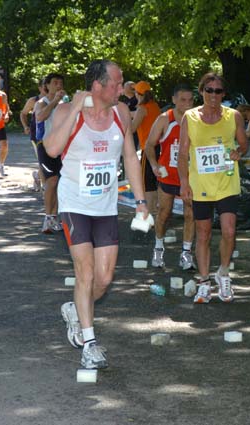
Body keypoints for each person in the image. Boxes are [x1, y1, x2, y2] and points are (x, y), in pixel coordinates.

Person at [44, 59, 148, 369]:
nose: (122, 88)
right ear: (98, 86)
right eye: (116, 83)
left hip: (105, 207)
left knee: (103, 278)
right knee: (85, 273)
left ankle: (77, 309)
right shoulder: (67, 111)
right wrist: (75, 108)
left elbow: (130, 157)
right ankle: (89, 342)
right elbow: (51, 150)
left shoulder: (121, 113)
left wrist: (141, 200)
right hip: (74, 203)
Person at [178, 72, 248, 303]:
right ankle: (204, 281)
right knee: (204, 233)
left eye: (218, 91)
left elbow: (244, 143)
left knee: (229, 230)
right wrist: (184, 183)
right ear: (202, 92)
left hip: (227, 181)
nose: (214, 95)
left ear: (223, 94)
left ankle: (224, 273)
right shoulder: (190, 117)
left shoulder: (234, 116)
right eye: (209, 90)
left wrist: (239, 151)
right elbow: (182, 153)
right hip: (201, 185)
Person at [144, 84, 196, 270]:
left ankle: (186, 253)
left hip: (190, 177)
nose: (188, 104)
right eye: (183, 100)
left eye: (190, 100)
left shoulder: (198, 119)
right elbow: (149, 145)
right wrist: (154, 165)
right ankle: (158, 247)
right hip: (168, 176)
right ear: (174, 100)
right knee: (164, 213)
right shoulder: (165, 119)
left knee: (191, 213)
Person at [35, 73, 68, 234]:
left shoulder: (65, 103)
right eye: (55, 83)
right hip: (45, 145)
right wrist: (54, 101)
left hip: (62, 147)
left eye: (60, 83)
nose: (59, 85)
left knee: (60, 182)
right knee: (52, 180)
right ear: (47, 86)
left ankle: (55, 217)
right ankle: (48, 217)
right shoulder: (42, 102)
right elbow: (40, 117)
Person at [132, 81, 161, 216]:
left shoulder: (142, 108)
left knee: (146, 182)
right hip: (158, 146)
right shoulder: (154, 106)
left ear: (138, 94)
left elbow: (132, 127)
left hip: (147, 148)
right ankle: (156, 209)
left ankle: (149, 212)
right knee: (155, 180)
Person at [19, 79, 46, 191]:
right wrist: (25, 126)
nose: (47, 88)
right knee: (42, 160)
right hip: (37, 135)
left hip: (52, 135)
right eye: (44, 86)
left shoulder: (57, 99)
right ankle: (45, 187)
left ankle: (37, 175)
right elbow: (23, 113)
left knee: (49, 160)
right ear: (39, 87)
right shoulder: (34, 100)